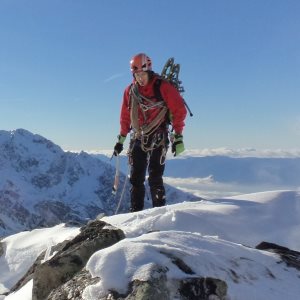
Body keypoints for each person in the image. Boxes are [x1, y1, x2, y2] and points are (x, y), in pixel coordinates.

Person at [113, 53, 187, 212]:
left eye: (142, 73)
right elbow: (125, 116)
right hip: (138, 137)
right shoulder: (130, 91)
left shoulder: (162, 87)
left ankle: (159, 214)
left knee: (155, 178)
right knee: (136, 179)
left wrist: (178, 136)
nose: (140, 77)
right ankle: (135, 213)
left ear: (148, 71)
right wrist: (121, 139)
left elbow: (179, 110)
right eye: (137, 74)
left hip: (158, 136)